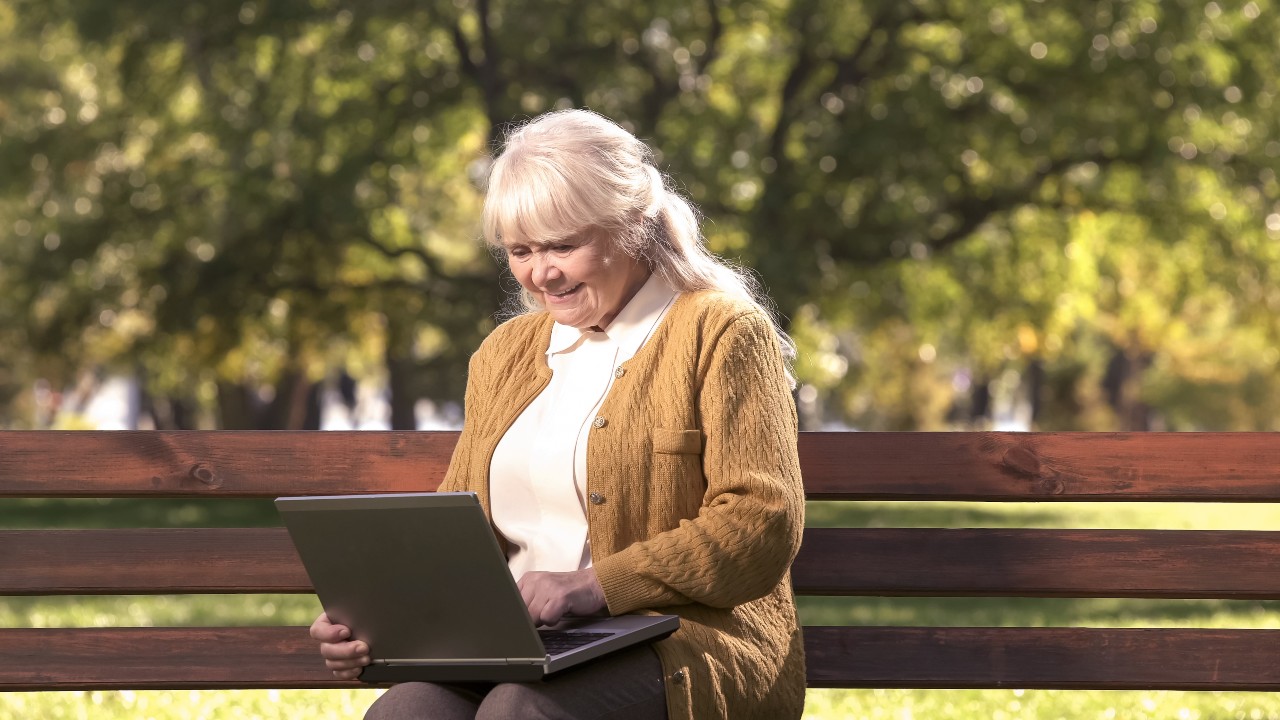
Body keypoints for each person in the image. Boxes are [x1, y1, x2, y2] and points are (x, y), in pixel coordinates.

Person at [310, 109, 806, 720]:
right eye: (521, 251)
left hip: (680, 641)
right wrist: (377, 618)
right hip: (519, 646)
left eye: (563, 246)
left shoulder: (721, 331)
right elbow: (461, 527)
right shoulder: (505, 353)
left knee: (520, 712)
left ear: (630, 225)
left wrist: (594, 586)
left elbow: (761, 522)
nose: (540, 273)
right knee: (405, 713)